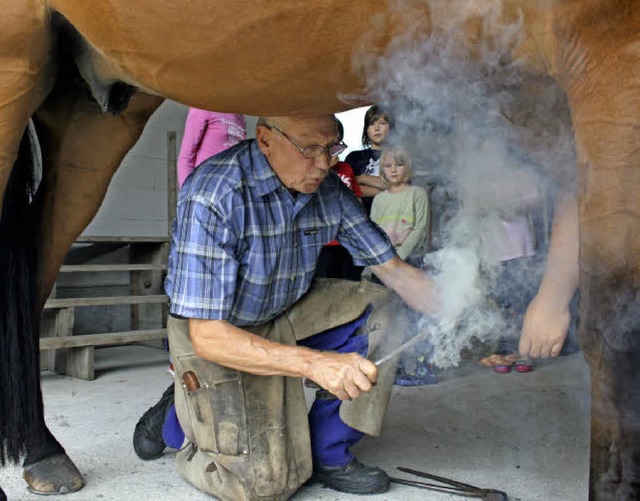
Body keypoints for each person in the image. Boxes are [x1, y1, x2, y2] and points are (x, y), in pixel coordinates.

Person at [133, 114, 438, 500]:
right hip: (215, 331)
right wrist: (315, 362)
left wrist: (447, 301)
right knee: (262, 485)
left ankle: (328, 450)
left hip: (286, 308)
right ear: (265, 139)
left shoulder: (325, 187)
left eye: (331, 149)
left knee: (380, 307)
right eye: (310, 149)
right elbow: (208, 334)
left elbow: (391, 269)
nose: (324, 164)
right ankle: (176, 419)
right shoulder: (215, 193)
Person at [369, 145, 436, 385]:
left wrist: (400, 257)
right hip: (386, 265)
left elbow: (419, 228)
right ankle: (396, 365)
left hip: (410, 263)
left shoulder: (417, 193)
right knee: (391, 315)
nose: (394, 170)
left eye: (399, 164)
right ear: (382, 171)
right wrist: (372, 265)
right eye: (388, 166)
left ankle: (422, 366)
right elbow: (372, 232)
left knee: (415, 314)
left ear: (408, 167)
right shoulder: (379, 199)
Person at [315, 118, 363, 281]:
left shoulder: (346, 169)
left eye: (336, 144)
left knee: (350, 281)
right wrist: (327, 165)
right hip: (325, 242)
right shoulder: (314, 170)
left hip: (349, 240)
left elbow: (357, 200)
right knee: (324, 283)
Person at [177, 108, 246, 188]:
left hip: (229, 188)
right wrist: (187, 195)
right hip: (205, 186)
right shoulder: (203, 107)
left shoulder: (240, 116)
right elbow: (186, 156)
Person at [344, 105, 392, 215]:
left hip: (391, 218)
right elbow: (345, 188)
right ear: (366, 129)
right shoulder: (354, 157)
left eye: (382, 123)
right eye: (371, 124)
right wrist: (378, 189)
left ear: (391, 127)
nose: (376, 128)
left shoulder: (398, 156)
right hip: (359, 216)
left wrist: (360, 178)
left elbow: (395, 187)